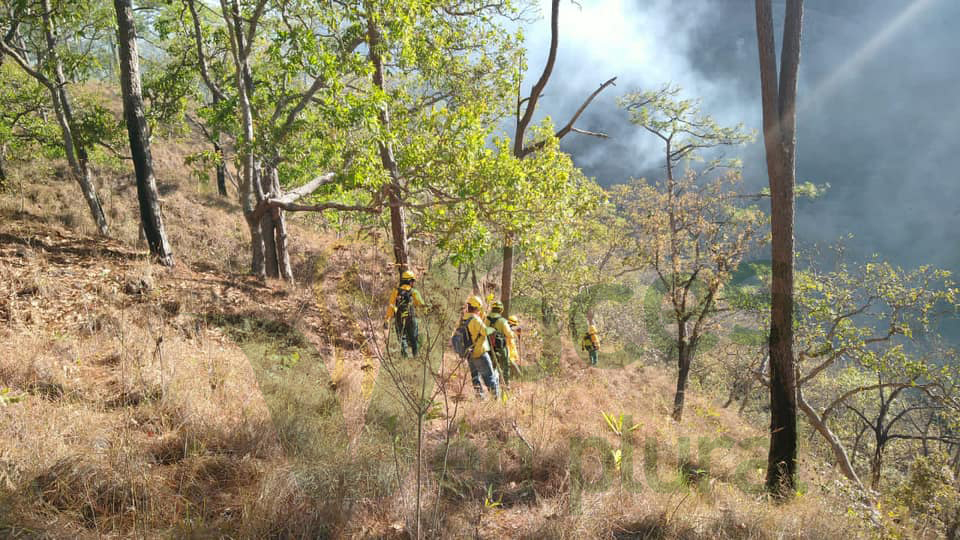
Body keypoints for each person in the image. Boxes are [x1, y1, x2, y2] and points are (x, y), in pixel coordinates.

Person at [463, 295, 500, 399]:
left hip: (469, 354)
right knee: (490, 377)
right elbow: (485, 331)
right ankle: (495, 400)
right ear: (477, 307)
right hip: (480, 353)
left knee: (475, 377)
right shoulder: (475, 319)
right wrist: (493, 330)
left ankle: (480, 398)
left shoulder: (464, 318)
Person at [385, 270, 425, 357]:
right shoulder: (414, 292)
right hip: (411, 318)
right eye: (412, 281)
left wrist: (387, 319)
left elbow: (391, 306)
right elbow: (421, 304)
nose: (413, 283)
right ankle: (416, 357)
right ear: (409, 281)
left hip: (399, 319)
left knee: (402, 338)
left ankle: (405, 357)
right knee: (414, 338)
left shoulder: (395, 291)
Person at [486, 301, 515, 387]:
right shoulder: (502, 321)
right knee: (505, 365)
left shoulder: (486, 319)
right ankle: (505, 384)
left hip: (489, 347)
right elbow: (509, 334)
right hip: (500, 347)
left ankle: (492, 385)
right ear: (501, 310)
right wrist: (513, 333)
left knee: (491, 366)